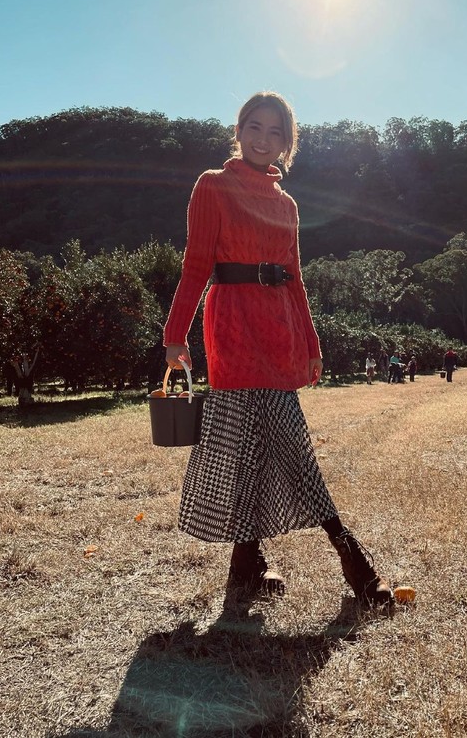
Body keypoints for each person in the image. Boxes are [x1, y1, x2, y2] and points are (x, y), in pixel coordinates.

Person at [162, 91, 392, 607]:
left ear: (288, 143)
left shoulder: (287, 203)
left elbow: (296, 279)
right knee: (289, 445)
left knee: (252, 450)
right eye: (254, 127)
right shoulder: (213, 186)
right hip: (233, 325)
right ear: (239, 131)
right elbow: (196, 266)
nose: (264, 139)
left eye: (275, 132)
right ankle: (354, 563)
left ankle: (245, 568)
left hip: (279, 327)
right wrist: (174, 335)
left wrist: (310, 344)